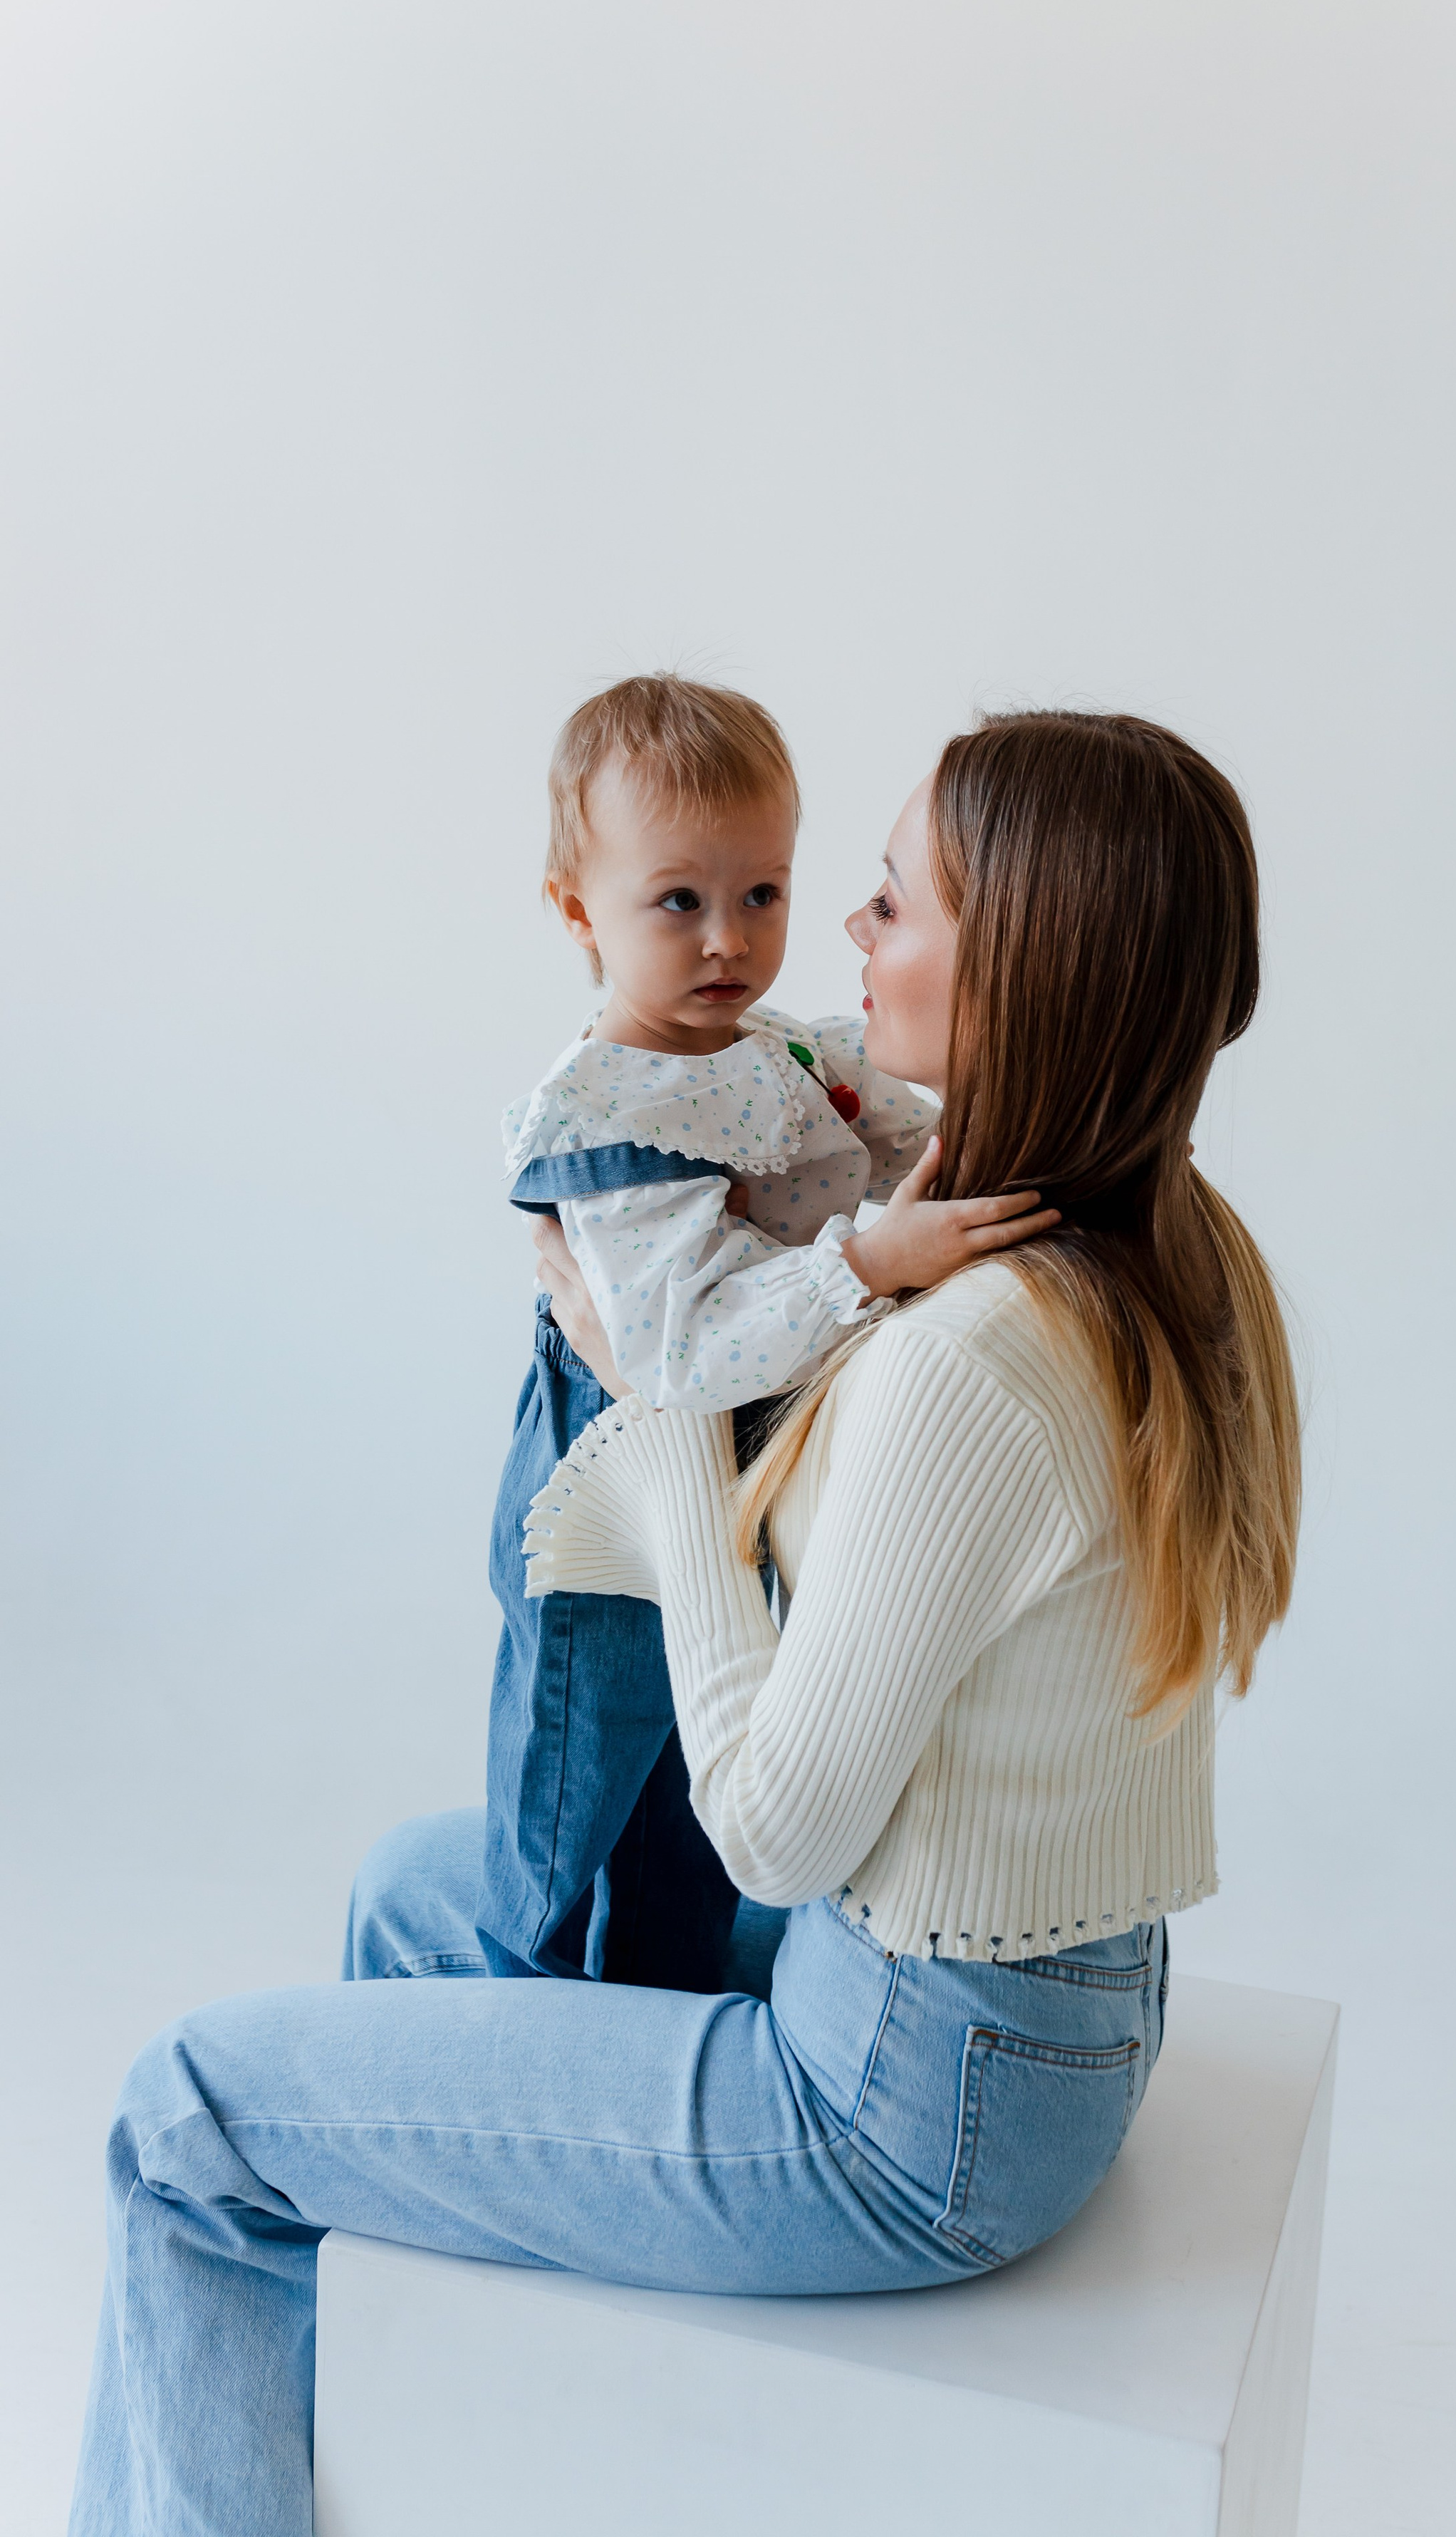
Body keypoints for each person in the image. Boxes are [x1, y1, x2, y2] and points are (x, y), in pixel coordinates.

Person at [69, 710, 1301, 2537]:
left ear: (1023, 964)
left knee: (186, 2123)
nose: (844, 943)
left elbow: (779, 1828)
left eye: (886, 903)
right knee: (425, 1889)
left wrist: (655, 1449)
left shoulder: (979, 1354)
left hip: (907, 2104)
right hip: (1029, 2012)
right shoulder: (1153, 1236)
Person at [484, 673, 1053, 1987]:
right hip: (605, 1508)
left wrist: (1039, 1139)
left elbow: (906, 1125)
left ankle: (666, 2006)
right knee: (574, 1787)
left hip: (734, 1493)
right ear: (579, 909)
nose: (728, 941)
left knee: (692, 1790)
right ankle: (520, 2017)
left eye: (764, 893)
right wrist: (863, 1264)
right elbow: (674, 1355)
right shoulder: (608, 1113)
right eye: (679, 900)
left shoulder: (784, 1057)